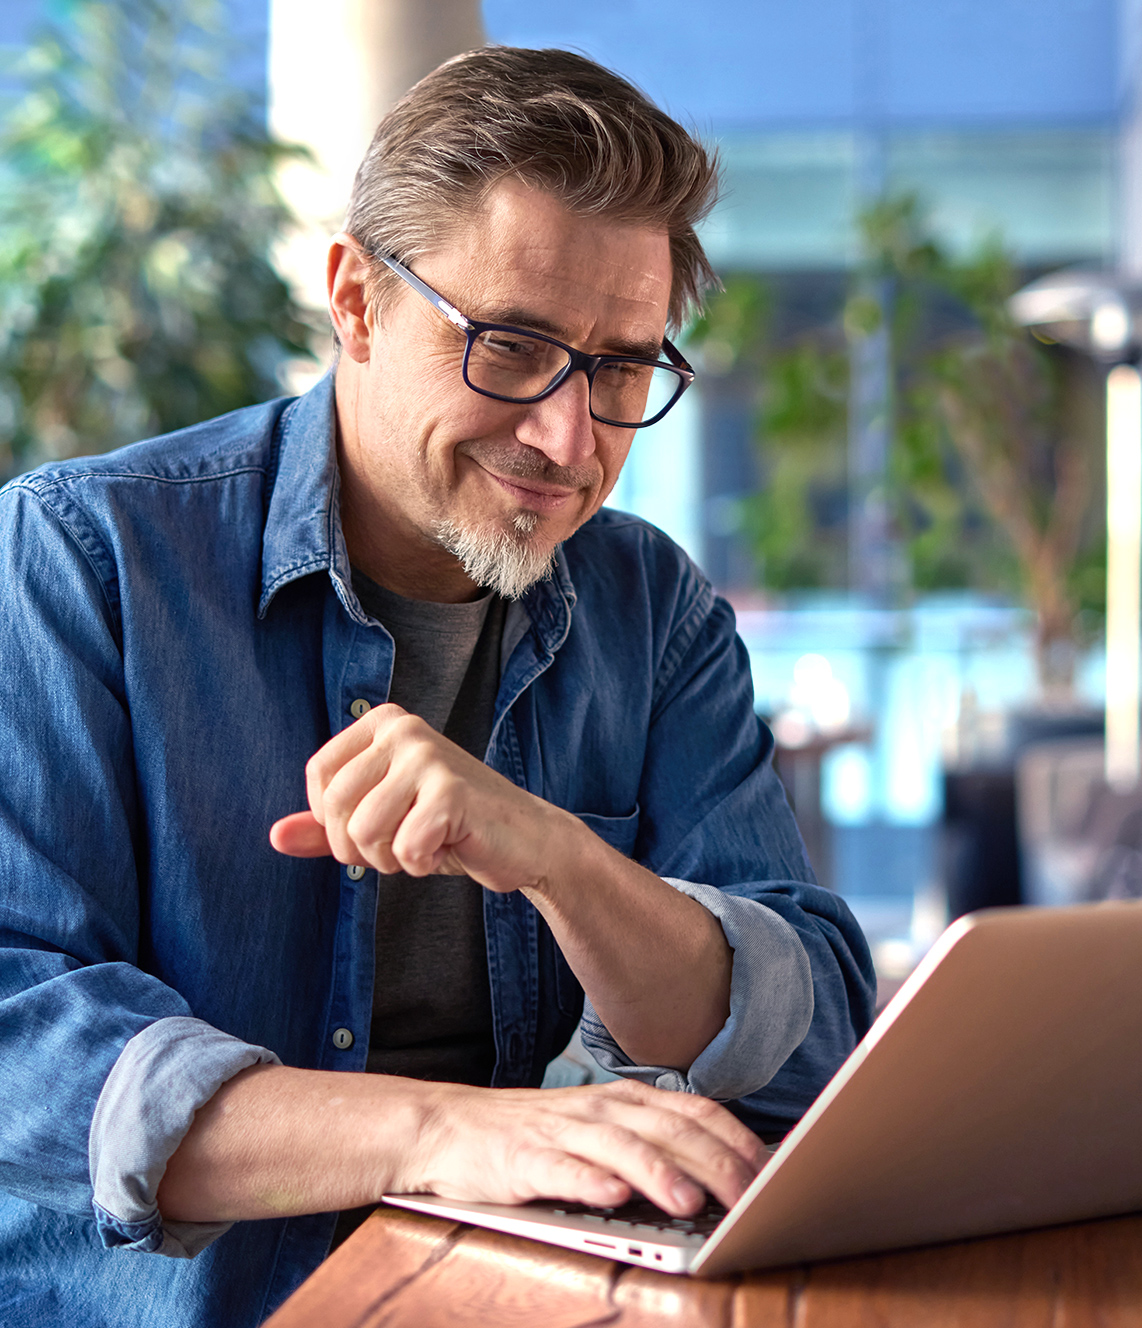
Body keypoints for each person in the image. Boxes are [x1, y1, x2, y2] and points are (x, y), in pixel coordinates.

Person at [0, 46, 874, 1327]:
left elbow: (809, 1040)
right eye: (512, 348)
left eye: (623, 368)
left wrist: (564, 862)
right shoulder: (81, 559)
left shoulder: (653, 606)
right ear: (356, 300)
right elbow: (20, 1036)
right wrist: (447, 1134)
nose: (569, 441)